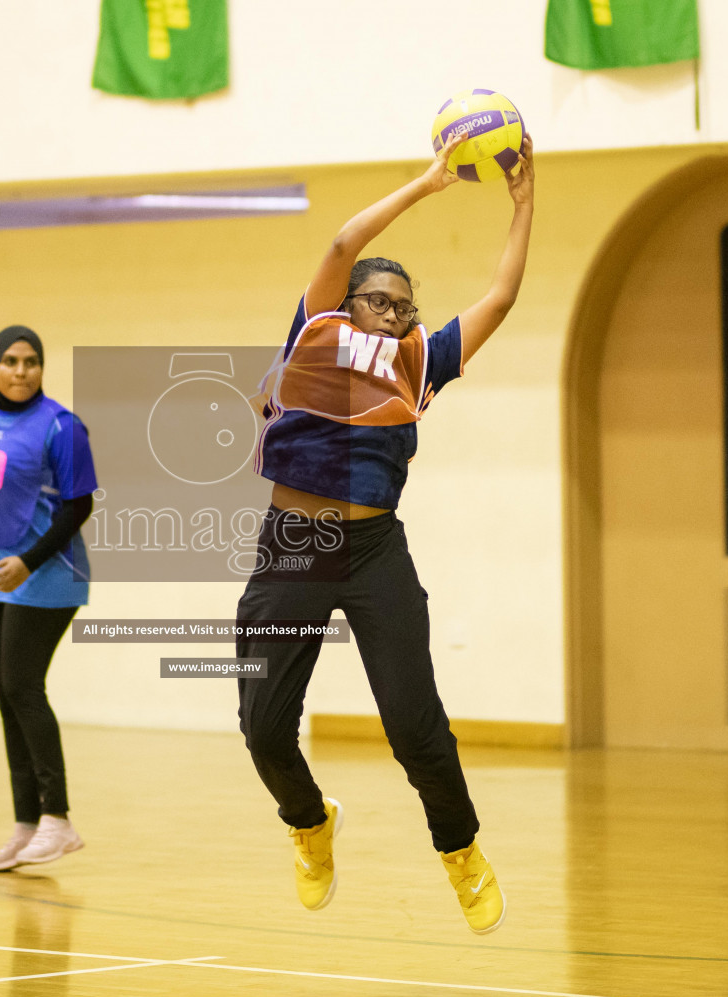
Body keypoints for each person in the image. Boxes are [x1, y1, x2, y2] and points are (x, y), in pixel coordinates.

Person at [236, 134, 536, 933]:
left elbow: (501, 298)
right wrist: (429, 184)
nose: (398, 310)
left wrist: (523, 204)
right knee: (263, 729)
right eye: (382, 299)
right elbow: (342, 243)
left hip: (373, 552)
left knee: (414, 724)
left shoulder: (417, 361)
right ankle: (309, 822)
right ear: (346, 304)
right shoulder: (315, 331)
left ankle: (461, 849)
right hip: (292, 546)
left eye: (407, 303)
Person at [0, 326, 97, 872]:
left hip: (48, 572)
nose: (21, 371)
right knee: (7, 695)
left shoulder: (61, 426)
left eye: (32, 362)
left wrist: (27, 561)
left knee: (23, 686)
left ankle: (59, 819)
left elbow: (77, 508)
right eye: (11, 361)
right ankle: (27, 824)